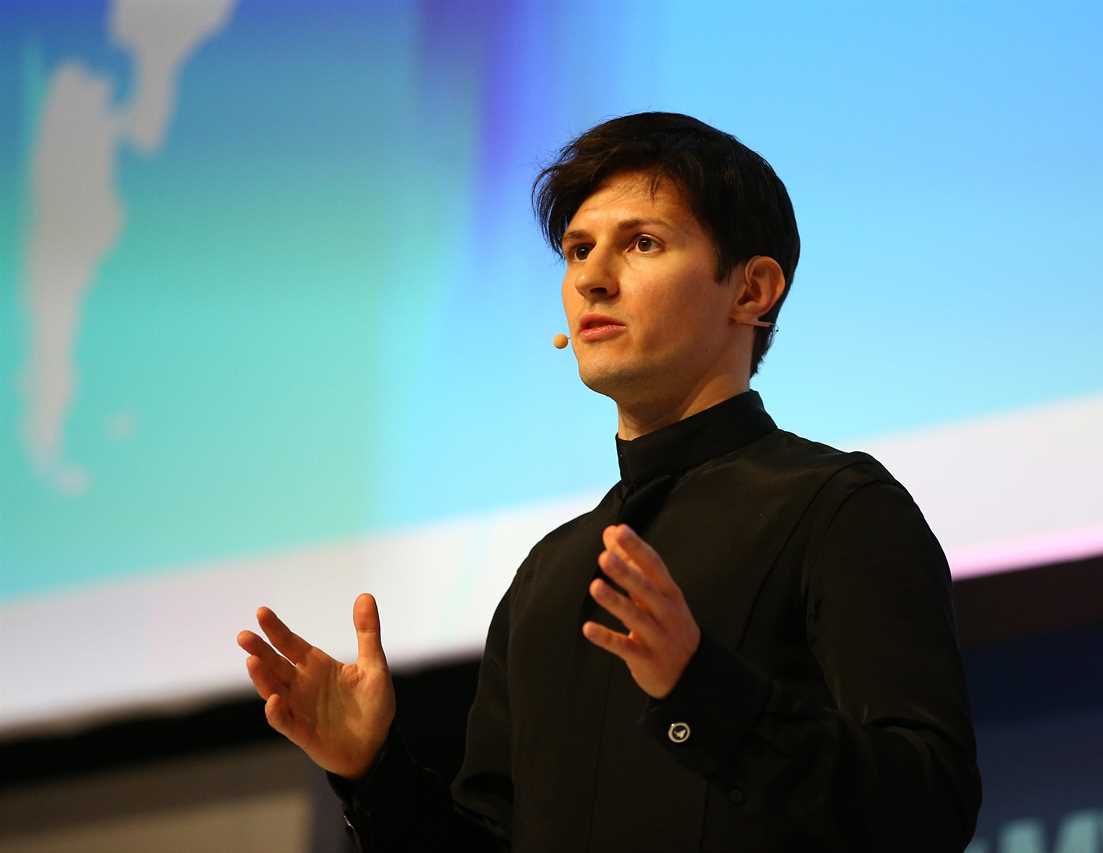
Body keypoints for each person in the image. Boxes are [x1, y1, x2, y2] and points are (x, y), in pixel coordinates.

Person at [235, 112, 982, 852]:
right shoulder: (547, 579)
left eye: (643, 243)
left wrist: (699, 689)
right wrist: (373, 773)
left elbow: (927, 808)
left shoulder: (839, 509)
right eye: (578, 250)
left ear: (752, 290)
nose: (591, 278)